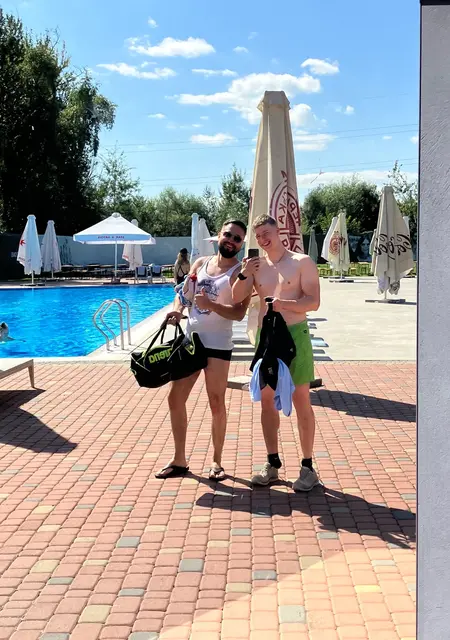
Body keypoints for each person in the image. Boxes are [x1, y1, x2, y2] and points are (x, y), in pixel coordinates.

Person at [156, 220, 251, 481]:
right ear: (219, 235)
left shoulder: (241, 273)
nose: (231, 240)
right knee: (175, 399)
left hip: (218, 345)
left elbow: (239, 312)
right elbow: (183, 295)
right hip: (191, 342)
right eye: (228, 234)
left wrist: (212, 305)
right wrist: (177, 310)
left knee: (216, 402)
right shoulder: (200, 264)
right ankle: (179, 460)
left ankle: (217, 462)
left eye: (237, 238)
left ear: (241, 245)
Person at [232, 214, 321, 491]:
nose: (262, 239)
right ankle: (272, 463)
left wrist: (285, 304)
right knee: (267, 400)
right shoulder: (256, 266)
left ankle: (308, 467)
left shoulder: (302, 262)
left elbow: (314, 302)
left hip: (295, 335)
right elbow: (236, 296)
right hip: (267, 337)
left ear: (278, 231)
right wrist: (245, 273)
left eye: (266, 233)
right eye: (258, 236)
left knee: (301, 397)